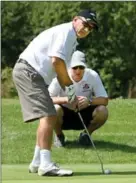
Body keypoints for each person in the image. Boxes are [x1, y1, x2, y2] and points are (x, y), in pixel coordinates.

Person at [12, 9, 99, 176]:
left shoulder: (72, 40)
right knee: (49, 115)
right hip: (30, 72)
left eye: (91, 28)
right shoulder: (67, 32)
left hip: (33, 74)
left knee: (48, 115)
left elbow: (59, 70)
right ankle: (46, 165)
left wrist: (70, 92)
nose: (86, 29)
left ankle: (37, 162)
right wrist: (70, 86)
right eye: (85, 24)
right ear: (75, 20)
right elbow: (56, 61)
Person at [48, 50, 108, 147]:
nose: (78, 70)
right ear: (70, 67)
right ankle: (59, 136)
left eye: (81, 67)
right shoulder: (61, 75)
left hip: (84, 113)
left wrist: (89, 101)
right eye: (75, 67)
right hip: (64, 114)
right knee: (55, 109)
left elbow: (105, 100)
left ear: (85, 67)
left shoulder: (92, 75)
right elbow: (47, 99)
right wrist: (66, 100)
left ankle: (86, 135)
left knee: (103, 111)